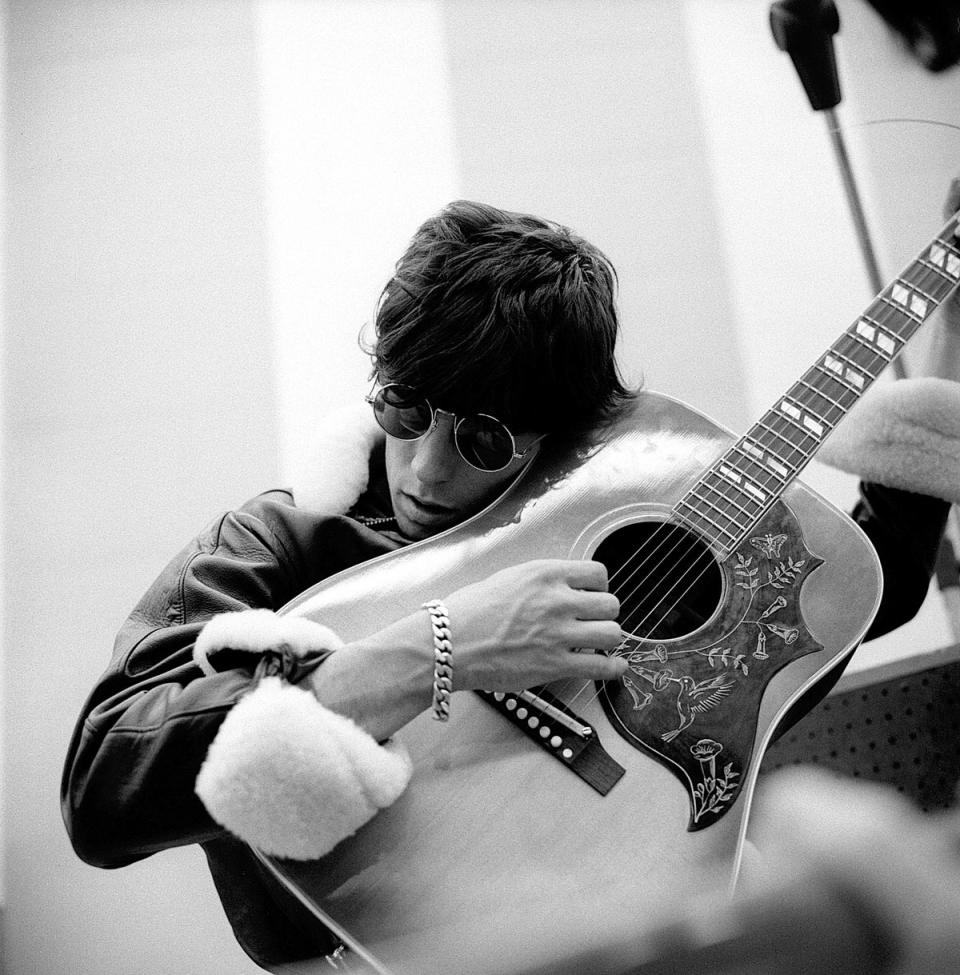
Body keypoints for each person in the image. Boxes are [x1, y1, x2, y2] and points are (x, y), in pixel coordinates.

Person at [61, 197, 959, 969]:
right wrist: (440, 643)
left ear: (563, 443)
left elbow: (805, 643)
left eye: (485, 441)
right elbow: (105, 784)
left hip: (641, 932)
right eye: (405, 407)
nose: (425, 469)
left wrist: (914, 467)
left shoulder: (614, 532)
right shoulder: (282, 542)